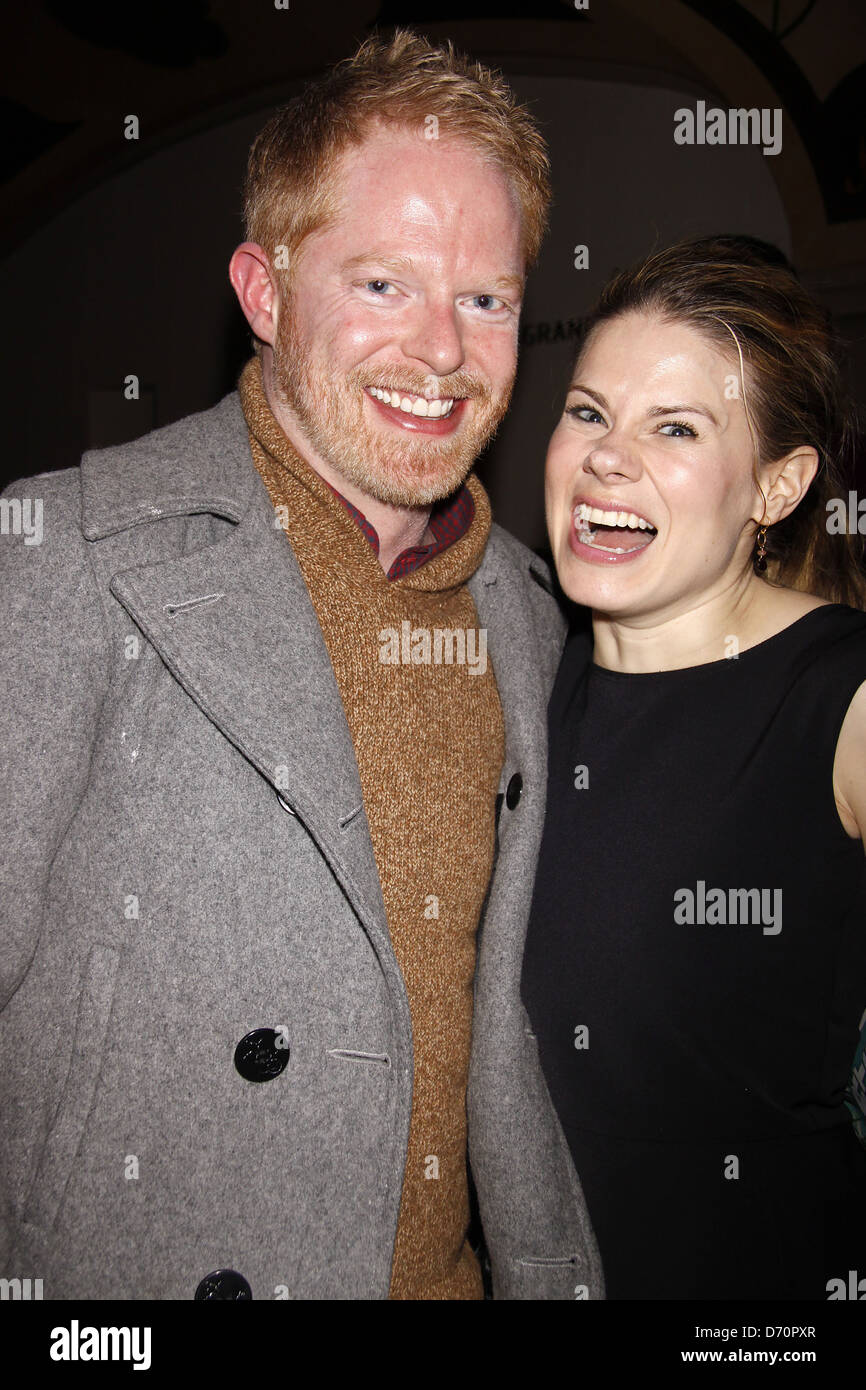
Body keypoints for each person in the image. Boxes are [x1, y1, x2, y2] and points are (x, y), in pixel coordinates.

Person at [0, 31, 602, 1300]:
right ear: (263, 294)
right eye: (382, 285)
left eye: (485, 297)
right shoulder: (62, 561)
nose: (441, 350)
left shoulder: (533, 616)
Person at [521, 234, 866, 1300]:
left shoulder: (837, 696)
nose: (605, 458)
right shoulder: (521, 671)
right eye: (587, 411)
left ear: (776, 484)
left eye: (674, 427)